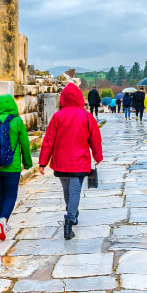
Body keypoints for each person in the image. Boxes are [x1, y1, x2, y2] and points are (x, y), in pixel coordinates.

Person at [38, 83, 104, 240]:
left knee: (67, 190)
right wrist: (97, 156)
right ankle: (69, 219)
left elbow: (49, 140)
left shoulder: (57, 116)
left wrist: (43, 162)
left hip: (61, 162)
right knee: (75, 191)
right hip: (79, 161)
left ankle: (72, 211)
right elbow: (95, 139)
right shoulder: (87, 116)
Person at [0, 93, 33, 241]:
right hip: (12, 166)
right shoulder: (16, 121)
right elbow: (25, 144)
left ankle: (2, 222)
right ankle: (3, 220)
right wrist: (27, 163)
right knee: (11, 195)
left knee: (1, 193)